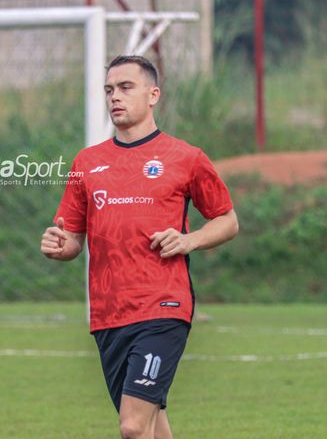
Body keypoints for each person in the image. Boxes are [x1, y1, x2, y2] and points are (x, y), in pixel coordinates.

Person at [41, 55, 238, 439]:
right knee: (150, 424)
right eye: (109, 90)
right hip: (108, 313)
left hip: (163, 306)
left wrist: (188, 240)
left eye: (126, 88)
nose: (115, 97)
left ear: (153, 95)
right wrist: (59, 244)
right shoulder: (87, 162)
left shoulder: (186, 158)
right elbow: (73, 240)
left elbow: (228, 220)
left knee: (132, 425)